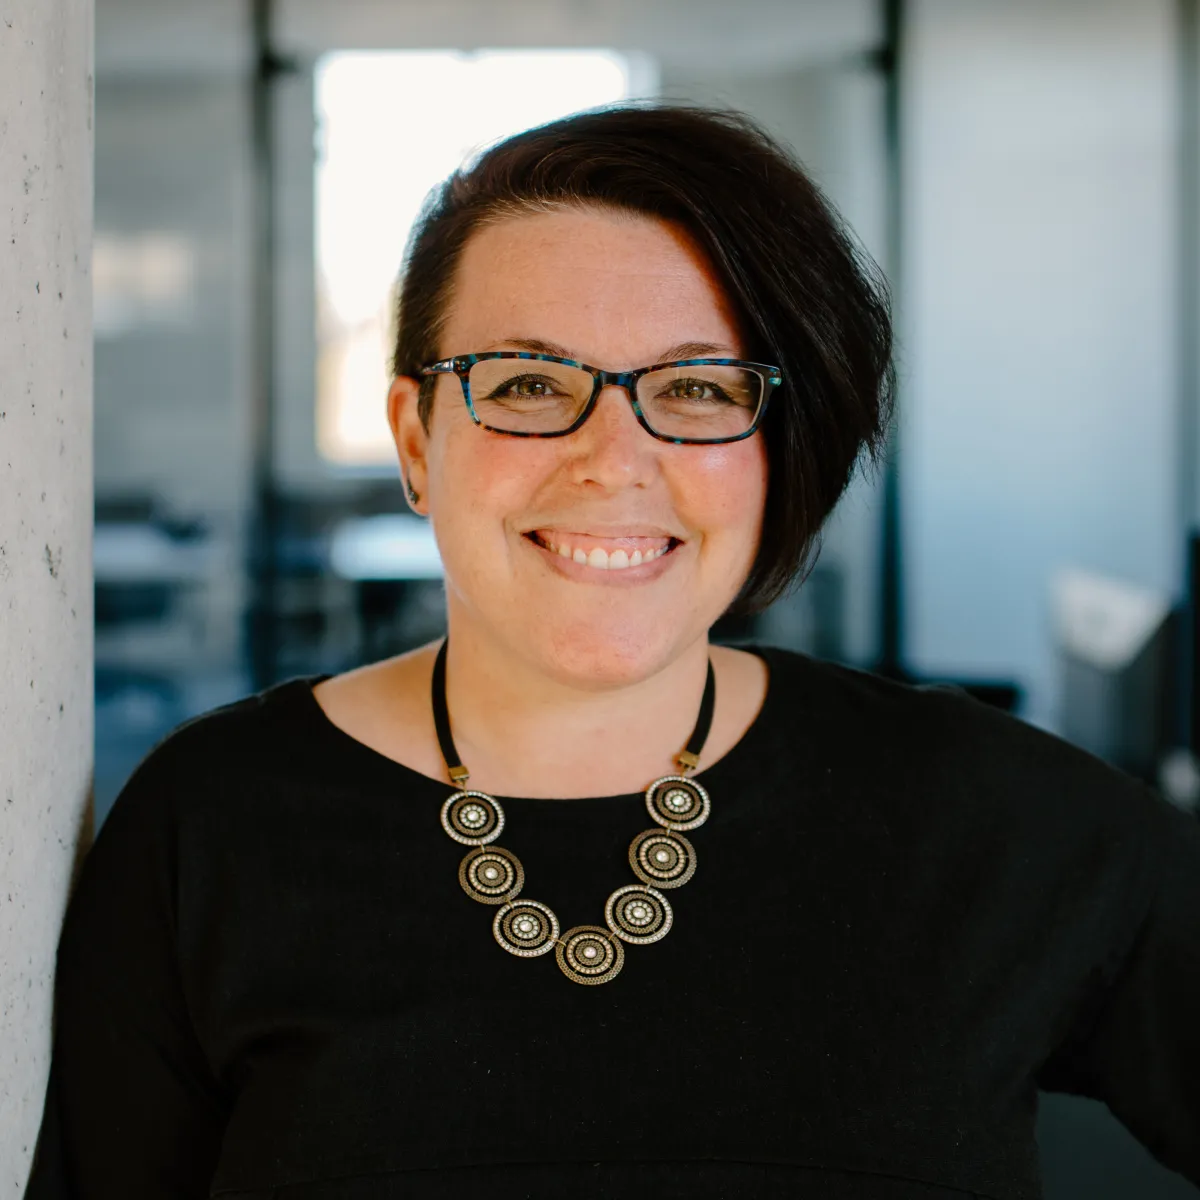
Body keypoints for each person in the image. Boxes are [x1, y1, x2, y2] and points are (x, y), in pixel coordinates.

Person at [24, 103, 1200, 1199]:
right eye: (530, 383)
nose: (612, 457)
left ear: (779, 449)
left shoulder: (986, 815)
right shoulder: (211, 826)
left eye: (695, 387)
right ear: (417, 441)